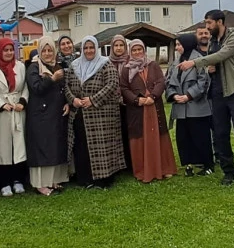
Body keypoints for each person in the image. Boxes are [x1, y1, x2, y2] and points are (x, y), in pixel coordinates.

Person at [179, 10, 234, 189]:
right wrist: (210, 69)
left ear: (219, 22)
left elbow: (221, 56)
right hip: (217, 92)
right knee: (220, 134)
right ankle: (229, 172)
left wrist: (195, 62)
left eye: (209, 23)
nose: (207, 27)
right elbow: (215, 62)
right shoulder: (212, 41)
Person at [63, 36, 125, 189]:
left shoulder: (105, 64)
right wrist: (73, 100)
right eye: (86, 48)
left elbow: (112, 84)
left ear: (96, 48)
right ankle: (85, 178)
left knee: (102, 147)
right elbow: (67, 86)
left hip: (102, 115)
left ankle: (103, 179)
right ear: (82, 49)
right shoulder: (74, 66)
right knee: (82, 146)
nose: (89, 51)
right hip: (80, 114)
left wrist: (93, 99)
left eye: (91, 48)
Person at [120, 39, 177, 182]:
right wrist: (136, 100)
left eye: (140, 49)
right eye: (134, 50)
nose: (137, 52)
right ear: (130, 52)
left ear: (144, 50)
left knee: (159, 135)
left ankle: (164, 168)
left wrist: (153, 96)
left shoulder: (153, 65)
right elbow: (123, 88)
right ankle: (143, 170)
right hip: (137, 110)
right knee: (140, 138)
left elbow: (160, 81)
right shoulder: (126, 69)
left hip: (153, 106)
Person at [25, 37, 71, 195]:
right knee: (41, 148)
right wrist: (52, 79)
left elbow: (64, 88)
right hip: (40, 115)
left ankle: (52, 180)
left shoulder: (57, 66)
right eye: (44, 50)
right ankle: (39, 183)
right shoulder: (33, 67)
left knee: (54, 147)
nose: (47, 53)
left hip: (56, 113)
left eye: (50, 50)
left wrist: (67, 102)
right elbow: (36, 88)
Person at [0, 38, 28, 197]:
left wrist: (23, 101)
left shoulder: (20, 66)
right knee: (2, 147)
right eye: (5, 50)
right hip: (1, 111)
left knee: (19, 146)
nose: (9, 53)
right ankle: (4, 182)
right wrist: (1, 104)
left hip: (17, 108)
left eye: (11, 50)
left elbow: (25, 87)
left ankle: (18, 180)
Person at [166, 31, 214, 175]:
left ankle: (207, 165)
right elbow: (168, 81)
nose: (177, 48)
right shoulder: (175, 61)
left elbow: (203, 82)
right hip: (180, 108)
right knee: (183, 138)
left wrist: (188, 96)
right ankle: (188, 164)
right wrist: (174, 95)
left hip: (197, 107)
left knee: (200, 137)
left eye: (179, 45)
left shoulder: (198, 60)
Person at [109, 35, 133, 171]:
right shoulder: (106, 63)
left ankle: (130, 164)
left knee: (129, 132)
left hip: (129, 103)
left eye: (121, 45)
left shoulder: (131, 62)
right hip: (113, 104)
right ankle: (118, 165)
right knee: (116, 134)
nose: (118, 48)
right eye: (116, 46)